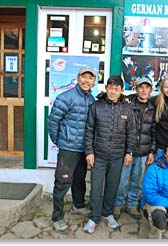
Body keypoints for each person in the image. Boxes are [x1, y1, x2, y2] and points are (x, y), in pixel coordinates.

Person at [83, 75, 136, 234]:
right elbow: (89, 130)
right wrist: (89, 152)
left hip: (117, 156)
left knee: (112, 187)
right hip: (98, 155)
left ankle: (108, 214)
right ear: (106, 88)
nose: (113, 92)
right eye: (110, 88)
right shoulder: (96, 106)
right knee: (96, 188)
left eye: (116, 89)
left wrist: (129, 152)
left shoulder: (127, 108)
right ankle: (93, 217)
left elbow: (131, 133)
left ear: (122, 90)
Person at [47, 66, 96, 234]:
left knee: (79, 180)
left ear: (94, 81)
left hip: (84, 149)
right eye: (84, 77)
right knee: (62, 182)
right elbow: (53, 122)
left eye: (90, 78)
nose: (86, 81)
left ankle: (78, 205)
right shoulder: (65, 97)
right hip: (68, 149)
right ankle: (57, 217)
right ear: (78, 77)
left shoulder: (92, 100)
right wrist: (61, 141)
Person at [114, 77, 156, 220]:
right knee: (121, 180)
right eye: (141, 87)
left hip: (143, 152)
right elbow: (109, 97)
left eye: (147, 87)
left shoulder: (153, 108)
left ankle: (132, 205)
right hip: (126, 151)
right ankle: (118, 205)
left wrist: (152, 151)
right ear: (136, 89)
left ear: (151, 90)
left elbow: (154, 131)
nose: (144, 90)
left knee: (137, 181)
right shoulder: (127, 103)